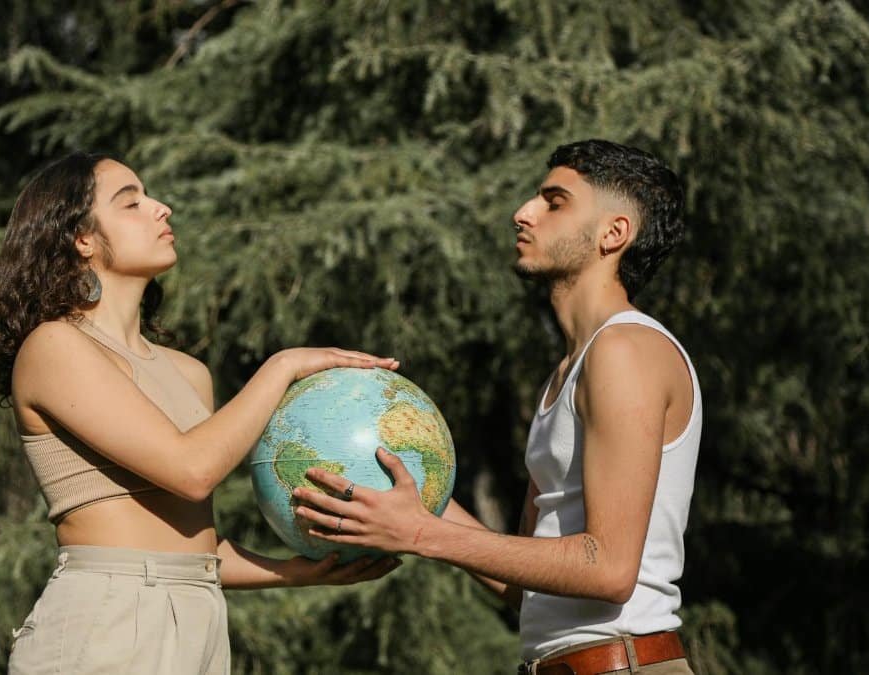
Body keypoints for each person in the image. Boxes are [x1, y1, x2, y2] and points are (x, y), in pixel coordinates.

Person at [0, 152, 401, 674]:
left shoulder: (189, 372)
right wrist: (282, 366)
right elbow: (192, 471)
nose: (162, 208)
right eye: (131, 203)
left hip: (200, 616)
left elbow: (193, 547)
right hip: (107, 617)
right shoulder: (54, 347)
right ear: (81, 239)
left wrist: (297, 571)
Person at [292, 139, 700, 674]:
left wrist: (420, 532)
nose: (523, 213)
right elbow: (524, 586)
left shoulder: (625, 350)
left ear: (614, 233)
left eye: (554, 202)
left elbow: (608, 568)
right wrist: (406, 485)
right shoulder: (570, 370)